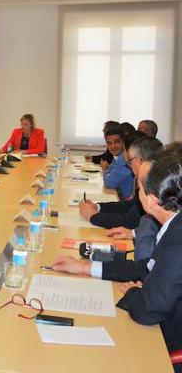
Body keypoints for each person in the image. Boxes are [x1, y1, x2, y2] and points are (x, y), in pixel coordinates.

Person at [52, 155, 182, 360]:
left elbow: (148, 310)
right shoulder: (174, 226)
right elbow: (146, 268)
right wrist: (85, 267)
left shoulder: (177, 241)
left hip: (169, 342)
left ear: (150, 199)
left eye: (139, 188)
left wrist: (133, 293)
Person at [79, 135, 160, 229]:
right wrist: (97, 207)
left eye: (129, 162)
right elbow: (128, 206)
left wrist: (93, 216)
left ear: (139, 161)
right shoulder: (149, 180)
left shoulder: (153, 186)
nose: (130, 167)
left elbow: (130, 221)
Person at [101, 127, 134, 199]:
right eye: (109, 143)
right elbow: (108, 172)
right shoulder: (118, 157)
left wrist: (106, 174)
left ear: (123, 142)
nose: (113, 146)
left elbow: (109, 183)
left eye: (117, 142)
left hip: (127, 203)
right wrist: (107, 173)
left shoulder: (124, 158)